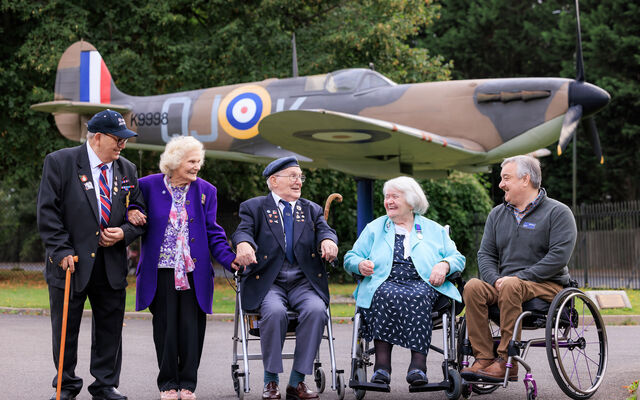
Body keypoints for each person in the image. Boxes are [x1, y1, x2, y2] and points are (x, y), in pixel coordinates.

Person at [37, 109, 145, 400]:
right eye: (117, 140)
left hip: (111, 265)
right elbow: (48, 214)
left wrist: (124, 232)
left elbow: (138, 211)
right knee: (65, 329)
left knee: (110, 329)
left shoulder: (127, 169)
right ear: (97, 137)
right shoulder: (60, 162)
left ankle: (105, 384)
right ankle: (66, 385)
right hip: (71, 262)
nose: (122, 145)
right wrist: (61, 250)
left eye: (125, 141)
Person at [127, 136, 238, 400]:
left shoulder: (206, 191)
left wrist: (229, 260)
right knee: (165, 330)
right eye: (191, 161)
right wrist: (132, 210)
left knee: (191, 330)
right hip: (161, 271)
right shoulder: (147, 185)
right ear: (175, 161)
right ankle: (167, 385)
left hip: (193, 274)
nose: (197, 166)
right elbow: (131, 208)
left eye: (199, 161)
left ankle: (188, 384)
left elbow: (213, 232)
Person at [460, 155, 577, 382]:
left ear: (525, 180)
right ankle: (483, 358)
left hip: (548, 286)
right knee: (473, 286)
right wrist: (494, 279)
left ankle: (507, 362)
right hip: (506, 286)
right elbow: (485, 254)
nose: (501, 184)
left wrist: (517, 278)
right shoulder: (497, 214)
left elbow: (558, 257)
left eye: (506, 178)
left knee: (512, 284)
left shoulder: (558, 213)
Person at [232, 156, 338, 400]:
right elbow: (242, 231)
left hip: (303, 282)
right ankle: (271, 381)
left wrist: (328, 240)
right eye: (292, 176)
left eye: (300, 177)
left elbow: (325, 230)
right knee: (274, 312)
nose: (298, 181)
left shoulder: (311, 209)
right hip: (270, 282)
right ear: (273, 180)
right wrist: (244, 244)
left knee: (316, 310)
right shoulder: (255, 207)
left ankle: (296, 382)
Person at [343, 176, 465, 386]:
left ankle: (418, 367)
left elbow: (458, 258)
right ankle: (382, 368)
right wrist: (360, 264)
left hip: (424, 283)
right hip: (384, 280)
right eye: (386, 197)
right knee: (382, 293)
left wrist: (444, 265)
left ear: (410, 200)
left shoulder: (433, 229)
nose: (388, 201)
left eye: (394, 197)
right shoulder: (375, 227)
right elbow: (350, 257)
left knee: (418, 295)